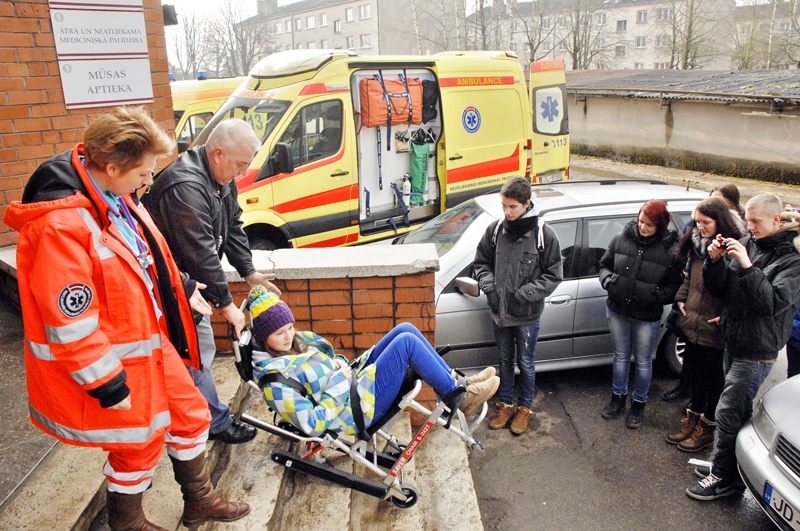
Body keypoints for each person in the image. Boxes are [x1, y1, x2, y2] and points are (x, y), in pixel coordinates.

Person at [4, 107, 250, 530]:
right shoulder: (60, 226)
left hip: (146, 343)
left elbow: (147, 260)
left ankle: (199, 500)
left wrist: (184, 286)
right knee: (138, 439)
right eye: (143, 173)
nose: (150, 181)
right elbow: (69, 320)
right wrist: (104, 379)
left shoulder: (116, 198)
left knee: (192, 414)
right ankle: (128, 520)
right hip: (118, 359)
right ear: (112, 166)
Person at [143, 119, 280, 445]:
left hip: (189, 285)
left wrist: (249, 272)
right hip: (173, 287)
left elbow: (232, 227)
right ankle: (211, 423)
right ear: (217, 153)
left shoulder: (220, 178)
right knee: (196, 352)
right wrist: (226, 305)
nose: (243, 172)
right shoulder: (185, 187)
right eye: (240, 164)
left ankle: (193, 416)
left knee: (193, 354)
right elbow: (200, 254)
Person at [246, 286, 500, 436]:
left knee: (406, 329)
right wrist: (339, 377)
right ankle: (461, 396)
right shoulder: (275, 382)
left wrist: (339, 366)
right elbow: (313, 424)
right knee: (407, 345)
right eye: (280, 333)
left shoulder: (297, 343)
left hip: (355, 383)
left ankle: (459, 384)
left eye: (290, 327)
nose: (289, 336)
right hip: (356, 409)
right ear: (263, 337)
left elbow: (330, 361)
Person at [687, 194, 800, 501]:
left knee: (727, 411)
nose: (749, 227)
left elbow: (770, 304)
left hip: (757, 349)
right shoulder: (751, 241)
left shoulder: (793, 259)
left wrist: (747, 265)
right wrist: (713, 261)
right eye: (747, 221)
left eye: (755, 221)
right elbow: (723, 290)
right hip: (734, 339)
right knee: (738, 411)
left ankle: (721, 478)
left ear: (776, 220)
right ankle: (732, 469)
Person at [474, 177, 563, 435]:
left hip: (527, 315)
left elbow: (554, 275)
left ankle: (524, 409)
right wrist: (489, 288)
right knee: (504, 361)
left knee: (526, 363)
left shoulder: (544, 234)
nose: (507, 211)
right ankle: (505, 405)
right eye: (503, 205)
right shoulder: (495, 231)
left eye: (512, 206)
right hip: (500, 314)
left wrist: (524, 294)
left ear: (526, 204)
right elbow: (481, 263)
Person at [665, 198, 744, 452]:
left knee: (714, 382)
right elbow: (689, 279)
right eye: (698, 221)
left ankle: (706, 430)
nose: (700, 227)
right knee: (695, 377)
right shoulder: (698, 247)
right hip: (693, 324)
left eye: (705, 222)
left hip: (715, 329)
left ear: (720, 220)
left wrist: (728, 314)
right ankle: (692, 422)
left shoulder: (732, 248)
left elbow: (738, 290)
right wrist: (680, 299)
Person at [599, 199, 684, 429]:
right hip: (618, 310)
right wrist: (608, 281)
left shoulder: (671, 251)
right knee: (620, 356)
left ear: (661, 225)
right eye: (640, 221)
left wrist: (655, 295)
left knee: (644, 361)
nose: (642, 227)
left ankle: (638, 403)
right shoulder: (621, 238)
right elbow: (604, 264)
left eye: (649, 224)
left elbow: (675, 286)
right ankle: (618, 398)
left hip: (647, 315)